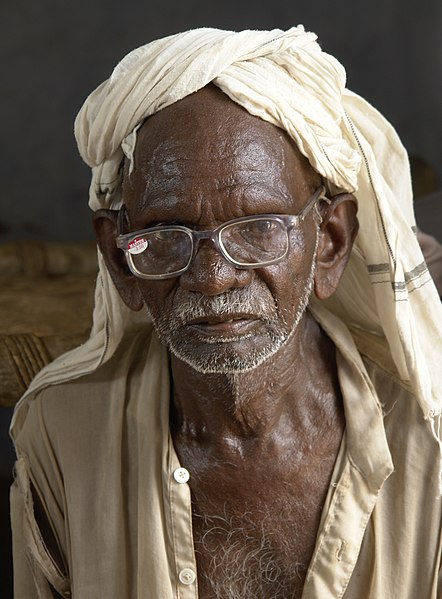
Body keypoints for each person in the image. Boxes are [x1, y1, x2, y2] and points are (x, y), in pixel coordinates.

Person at [10, 27, 442, 599]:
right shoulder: (62, 431)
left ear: (330, 242)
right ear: (119, 257)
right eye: (168, 234)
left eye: (260, 229)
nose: (213, 277)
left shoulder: (429, 444)